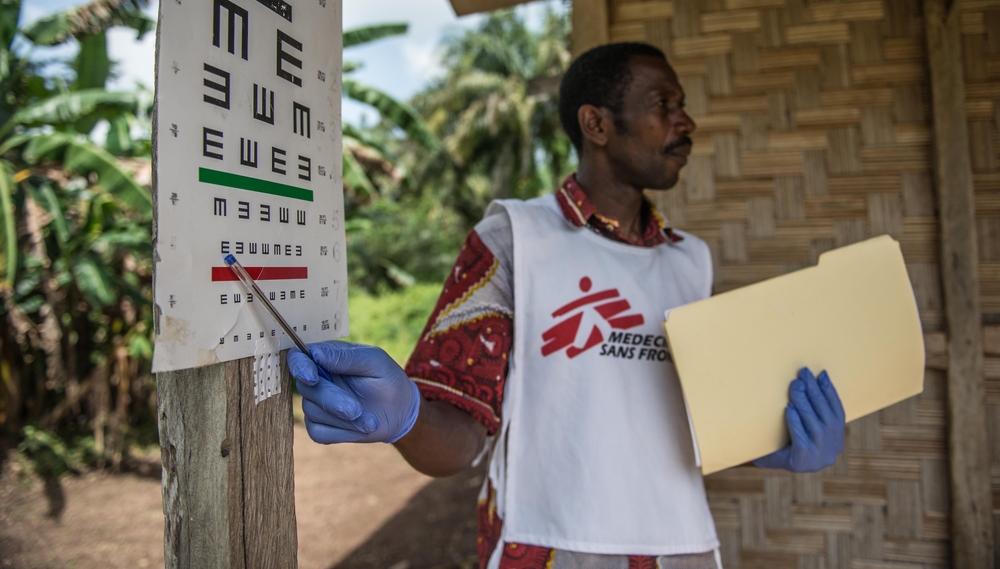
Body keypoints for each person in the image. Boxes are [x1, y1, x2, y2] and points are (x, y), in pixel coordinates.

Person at [288, 43, 846, 569]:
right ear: (596, 124)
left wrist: (778, 443)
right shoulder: (514, 240)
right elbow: (458, 440)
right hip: (547, 547)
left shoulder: (690, 261)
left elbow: (698, 422)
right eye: (664, 105)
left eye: (682, 106)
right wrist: (406, 416)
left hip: (681, 549)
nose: (685, 122)